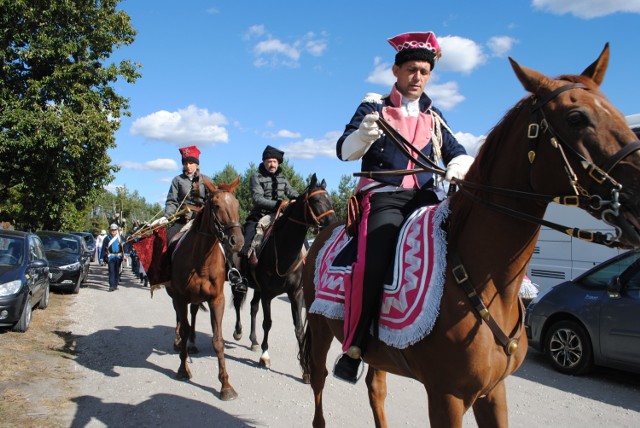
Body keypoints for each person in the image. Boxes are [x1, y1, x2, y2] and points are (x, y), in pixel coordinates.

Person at [332, 31, 475, 383]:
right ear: (395, 71)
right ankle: (354, 347)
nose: (419, 78)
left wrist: (458, 165)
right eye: (412, 69)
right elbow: (343, 151)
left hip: (427, 198)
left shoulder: (434, 115)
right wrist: (363, 135)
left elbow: (456, 150)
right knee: (374, 260)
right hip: (384, 197)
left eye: (425, 71)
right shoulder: (373, 107)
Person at [233, 145, 299, 292]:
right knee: (247, 243)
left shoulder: (283, 179)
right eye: (269, 161)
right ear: (264, 162)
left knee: (300, 236)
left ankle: (305, 268)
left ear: (278, 163)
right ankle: (242, 277)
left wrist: (299, 199)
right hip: (260, 215)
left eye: (275, 161)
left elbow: (292, 192)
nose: (272, 164)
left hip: (281, 215)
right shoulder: (256, 177)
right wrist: (279, 204)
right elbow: (257, 198)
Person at [163, 145, 210, 244]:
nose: (188, 166)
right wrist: (167, 216)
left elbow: (211, 199)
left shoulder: (205, 179)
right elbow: (172, 201)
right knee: (168, 239)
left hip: (202, 219)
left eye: (191, 163)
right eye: (185, 163)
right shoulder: (177, 180)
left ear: (196, 164)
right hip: (183, 219)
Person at [102, 223, 126, 292]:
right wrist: (102, 258)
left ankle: (115, 285)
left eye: (114, 230)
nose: (113, 231)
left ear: (117, 230)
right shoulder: (107, 238)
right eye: (112, 230)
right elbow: (104, 248)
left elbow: (125, 246)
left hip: (118, 257)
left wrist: (125, 254)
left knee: (116, 271)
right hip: (111, 257)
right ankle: (111, 286)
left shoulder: (120, 238)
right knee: (111, 271)